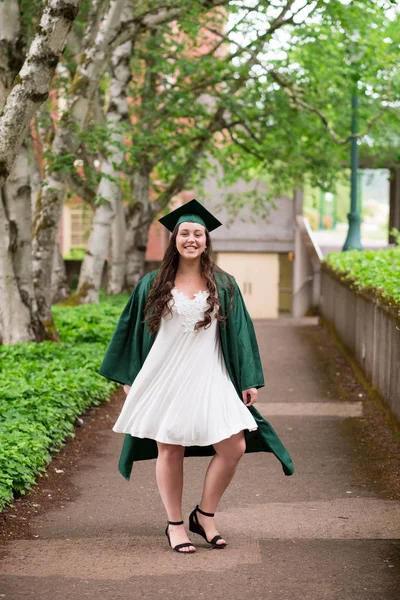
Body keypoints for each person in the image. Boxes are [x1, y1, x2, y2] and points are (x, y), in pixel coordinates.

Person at [99, 199, 294, 554]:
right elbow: (129, 332)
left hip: (211, 375)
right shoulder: (152, 284)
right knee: (169, 446)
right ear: (175, 239)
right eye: (185, 233)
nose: (191, 239)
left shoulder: (224, 284)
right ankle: (175, 525)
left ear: (207, 241)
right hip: (165, 377)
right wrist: (130, 377)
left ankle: (204, 514)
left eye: (198, 234)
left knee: (233, 445)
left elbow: (241, 334)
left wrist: (248, 379)